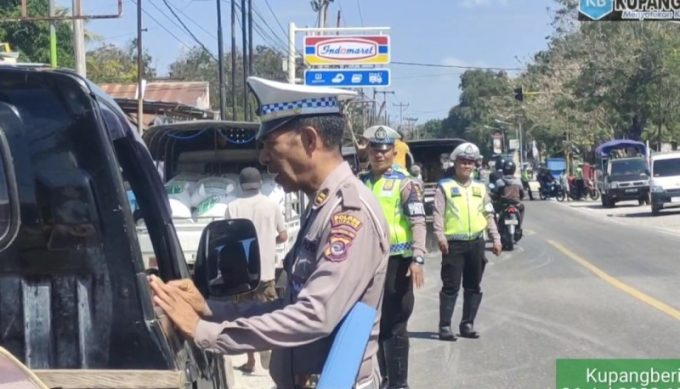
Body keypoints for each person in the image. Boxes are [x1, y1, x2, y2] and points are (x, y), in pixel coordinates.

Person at [149, 77, 390, 389]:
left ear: (308, 139)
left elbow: (314, 315)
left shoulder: (348, 215)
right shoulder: (321, 207)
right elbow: (289, 305)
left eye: (270, 145)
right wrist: (209, 309)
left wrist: (201, 330)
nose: (263, 158)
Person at [359, 125, 426, 389]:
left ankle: (399, 383)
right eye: (375, 150)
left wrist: (418, 257)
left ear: (394, 152)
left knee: (396, 324)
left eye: (385, 150)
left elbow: (419, 221)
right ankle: (386, 380)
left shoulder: (405, 183)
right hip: (366, 263)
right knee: (376, 324)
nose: (379, 155)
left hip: (397, 263)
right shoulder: (361, 182)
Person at [433, 142, 502, 341]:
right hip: (454, 244)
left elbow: (489, 214)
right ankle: (445, 326)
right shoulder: (445, 187)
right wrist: (440, 236)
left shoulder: (481, 188)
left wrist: (495, 238)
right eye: (463, 162)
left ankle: (467, 324)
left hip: (476, 243)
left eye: (470, 163)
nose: (467, 166)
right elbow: (438, 214)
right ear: (455, 163)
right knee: (451, 286)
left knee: (473, 285)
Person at [224, 166, 288, 374]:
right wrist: (269, 241)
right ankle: (267, 347)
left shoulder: (232, 207)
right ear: (260, 183)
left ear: (241, 185)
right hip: (266, 271)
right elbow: (284, 236)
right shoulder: (271, 205)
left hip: (242, 274)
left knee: (244, 317)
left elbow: (227, 239)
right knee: (268, 314)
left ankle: (250, 360)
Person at [493, 160, 525, 236]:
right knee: (522, 208)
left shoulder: (499, 181)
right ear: (514, 170)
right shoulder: (518, 181)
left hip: (503, 205)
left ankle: (495, 228)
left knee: (493, 211)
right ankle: (519, 226)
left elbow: (496, 194)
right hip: (516, 204)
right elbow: (522, 194)